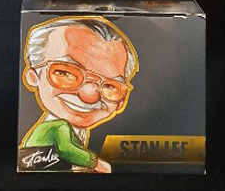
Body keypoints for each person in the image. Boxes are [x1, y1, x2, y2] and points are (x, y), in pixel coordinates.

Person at [20, 16, 138, 173]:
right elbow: (65, 150)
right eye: (66, 73)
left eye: (110, 85)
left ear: (121, 101)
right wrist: (95, 163)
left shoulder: (74, 132)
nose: (89, 95)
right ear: (34, 76)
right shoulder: (58, 126)